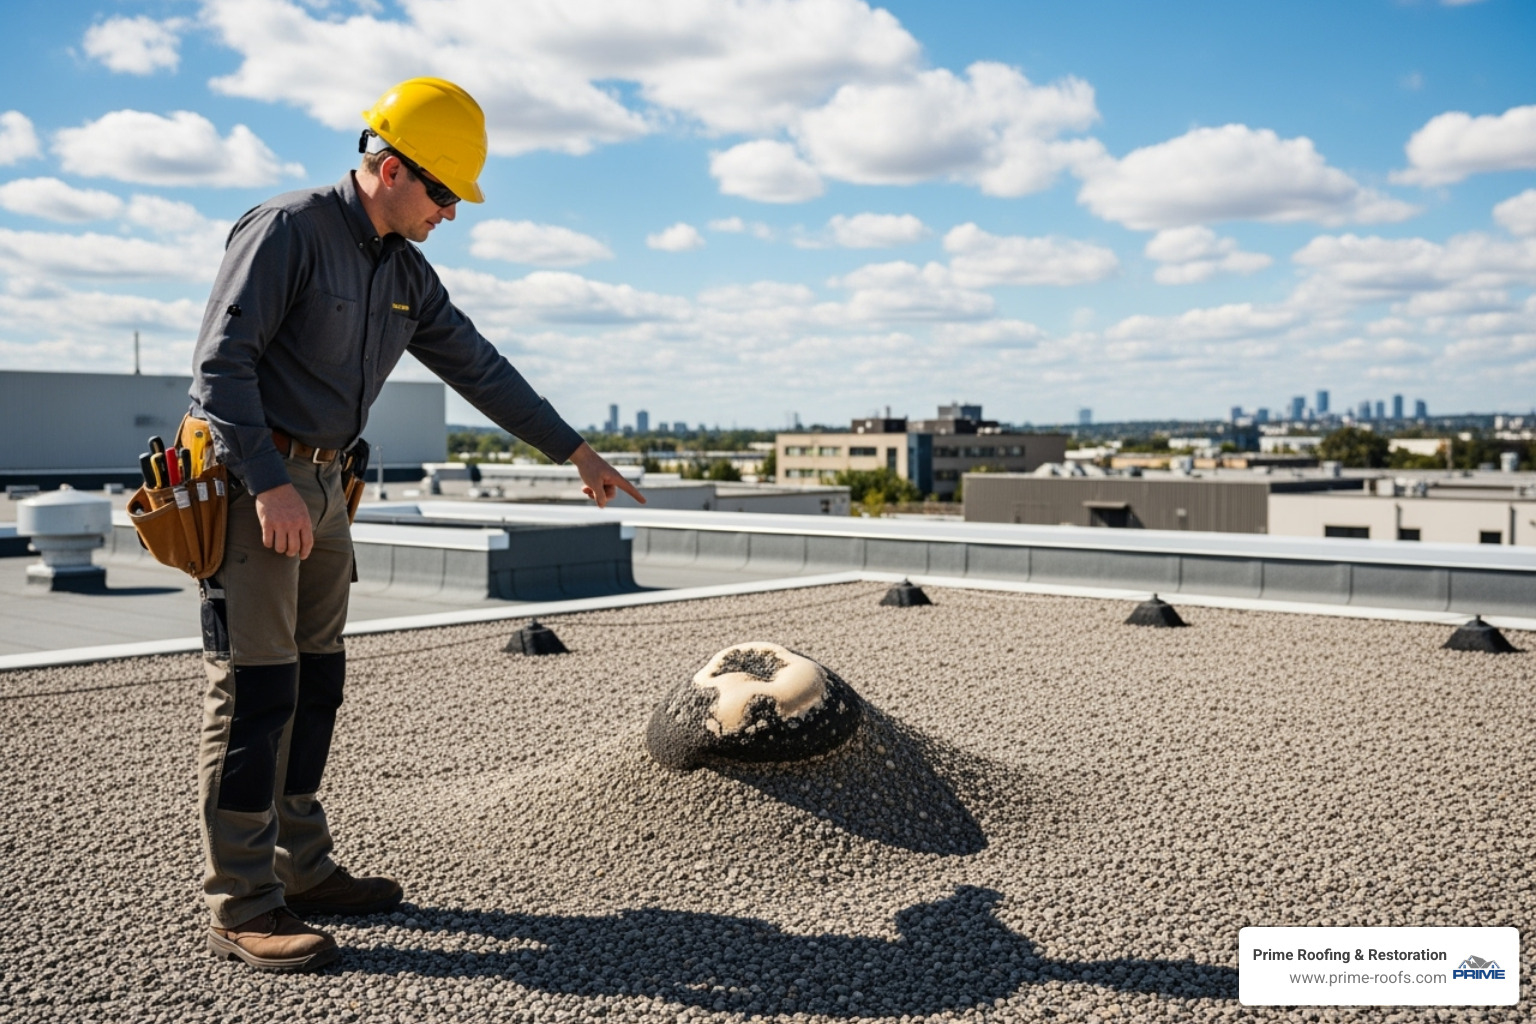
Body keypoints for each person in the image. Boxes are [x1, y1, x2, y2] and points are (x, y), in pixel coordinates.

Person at [188, 77, 643, 972]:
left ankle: (303, 870)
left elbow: (481, 366)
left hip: (325, 487)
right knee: (252, 695)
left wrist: (574, 451)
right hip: (257, 488)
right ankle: (243, 904)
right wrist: (270, 484)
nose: (451, 213)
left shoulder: (404, 271)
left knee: (315, 685)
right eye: (442, 194)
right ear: (390, 168)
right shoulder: (286, 230)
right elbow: (220, 366)